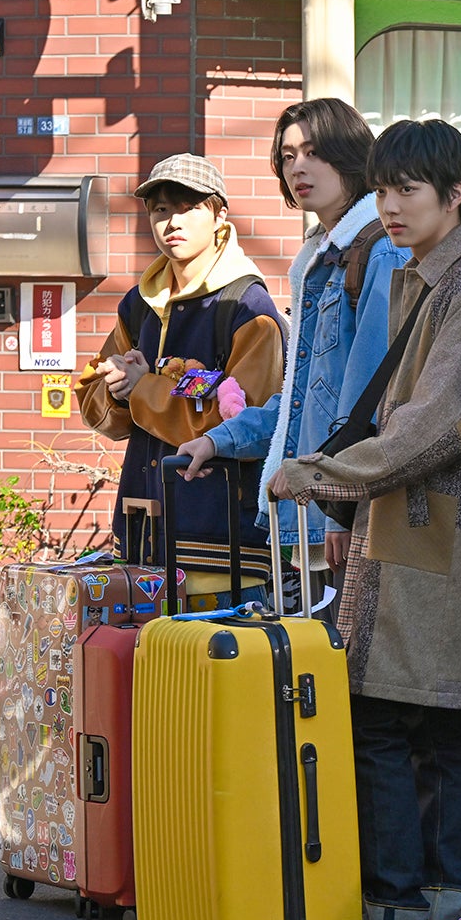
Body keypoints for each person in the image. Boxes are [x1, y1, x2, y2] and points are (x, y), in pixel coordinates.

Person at [269, 118, 461, 920]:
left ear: (455, 193)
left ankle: (400, 919)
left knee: (383, 722)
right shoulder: (428, 279)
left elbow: (435, 426)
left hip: (437, 540)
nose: (390, 206)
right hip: (423, 536)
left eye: (407, 189)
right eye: (382, 189)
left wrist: (322, 474)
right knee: (436, 728)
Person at [176, 98, 408, 622]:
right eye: (287, 156)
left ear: (349, 154)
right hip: (314, 512)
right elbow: (301, 403)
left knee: (347, 666)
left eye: (313, 152)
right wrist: (218, 440)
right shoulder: (321, 258)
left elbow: (369, 402)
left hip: (351, 515)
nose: (298, 167)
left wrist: (339, 509)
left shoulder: (378, 250)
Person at [74, 154, 284, 608]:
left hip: (220, 548)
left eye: (188, 208)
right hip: (141, 538)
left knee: (218, 651)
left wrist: (142, 387)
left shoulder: (247, 307)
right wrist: (116, 387)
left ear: (220, 214)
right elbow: (95, 404)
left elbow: (249, 425)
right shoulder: (139, 303)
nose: (172, 222)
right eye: (160, 209)